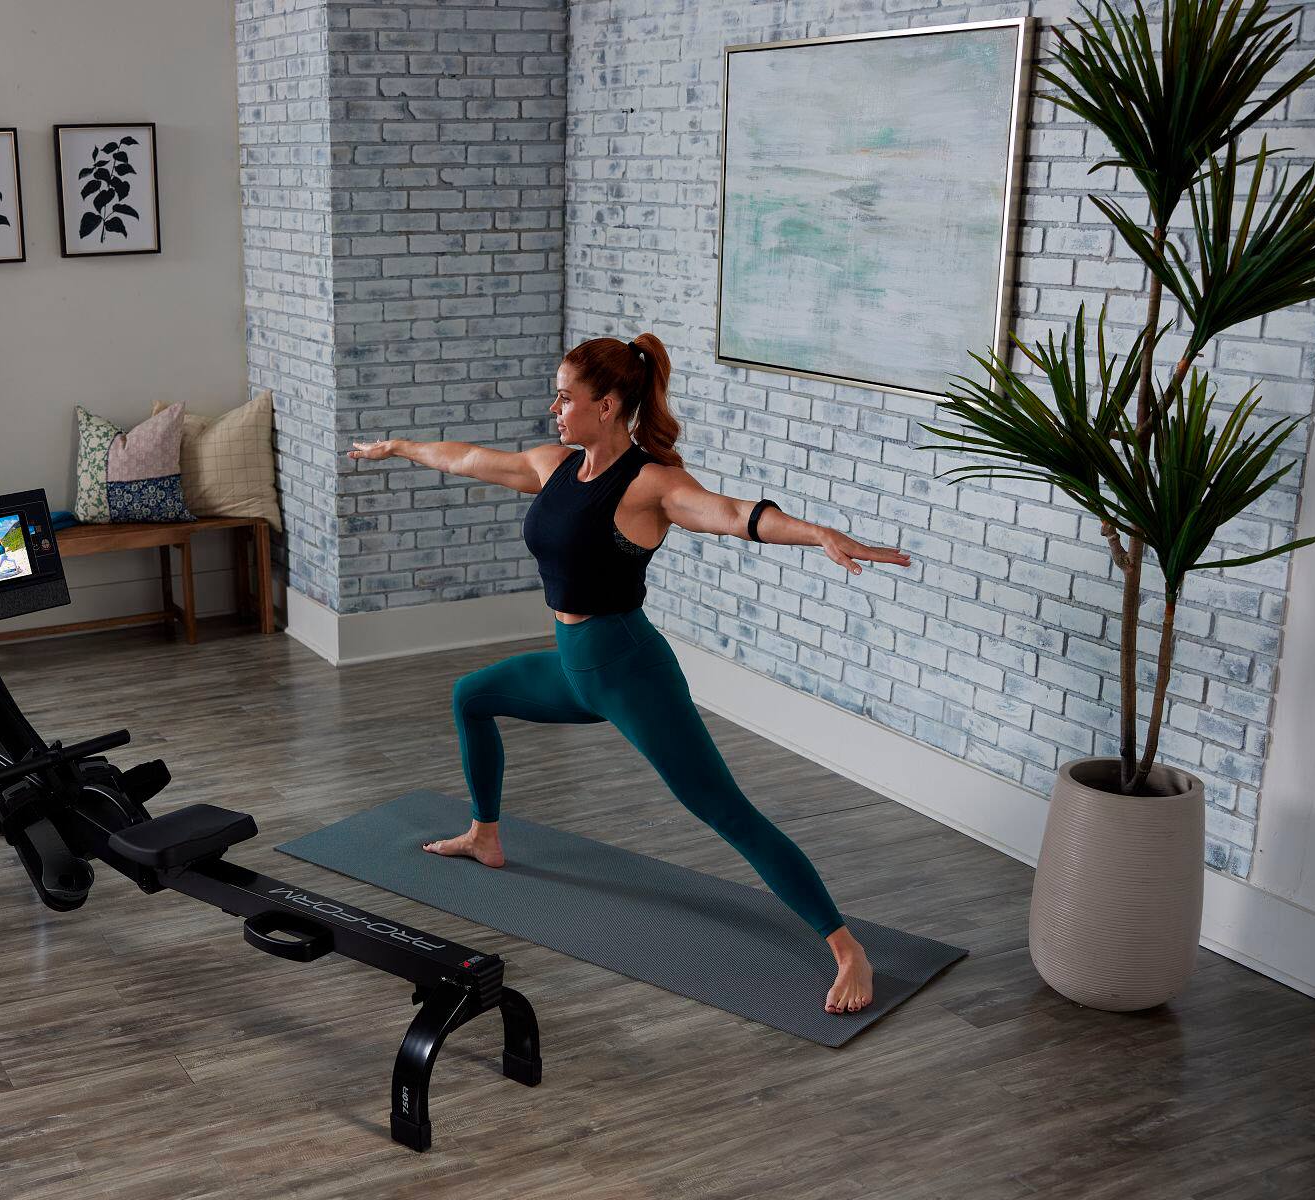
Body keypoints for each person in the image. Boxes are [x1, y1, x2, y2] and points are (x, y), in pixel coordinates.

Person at [347, 333, 912, 1015]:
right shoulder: (554, 465)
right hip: (575, 668)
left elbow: (735, 516)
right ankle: (485, 835)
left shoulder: (651, 485)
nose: (554, 407)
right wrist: (399, 448)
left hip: (629, 673)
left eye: (565, 395)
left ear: (607, 405)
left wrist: (818, 532)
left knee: (724, 810)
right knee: (472, 695)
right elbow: (469, 460)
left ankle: (847, 947)